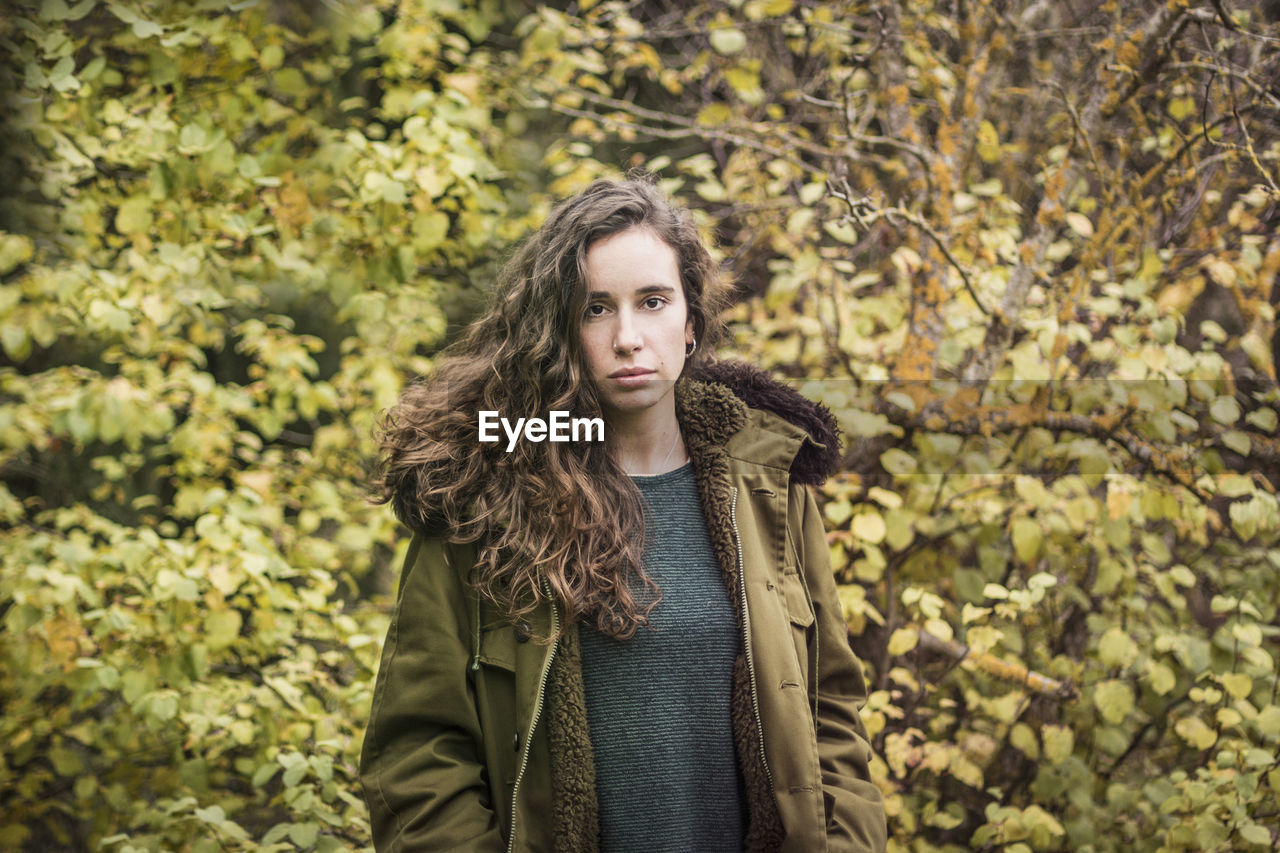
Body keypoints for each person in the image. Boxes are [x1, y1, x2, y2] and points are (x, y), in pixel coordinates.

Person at [360, 175, 888, 852]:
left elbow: (831, 711)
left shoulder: (770, 491)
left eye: (653, 301)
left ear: (691, 323)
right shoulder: (484, 497)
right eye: (596, 309)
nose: (629, 336)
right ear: (561, 329)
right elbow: (418, 753)